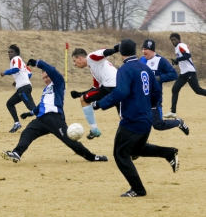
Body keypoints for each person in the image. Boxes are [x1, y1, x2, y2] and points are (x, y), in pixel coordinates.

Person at [92, 39, 179, 197]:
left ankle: (138, 189)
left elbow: (121, 93)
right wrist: (150, 105)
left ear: (121, 53)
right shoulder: (144, 67)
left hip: (132, 119)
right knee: (136, 149)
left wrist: (99, 104)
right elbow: (156, 91)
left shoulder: (125, 70)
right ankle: (169, 153)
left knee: (120, 154)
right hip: (145, 118)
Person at [0, 59, 108, 163]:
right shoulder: (46, 89)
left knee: (70, 141)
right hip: (41, 119)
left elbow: (51, 70)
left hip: (54, 118)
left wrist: (38, 63)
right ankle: (17, 153)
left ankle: (93, 157)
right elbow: (42, 105)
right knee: (27, 132)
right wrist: (30, 113)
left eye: (47, 76)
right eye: (44, 78)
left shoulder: (58, 83)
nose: (46, 79)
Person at [70, 45, 119, 140]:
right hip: (119, 87)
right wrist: (80, 94)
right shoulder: (93, 67)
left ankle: (94, 130)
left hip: (110, 86)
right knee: (123, 119)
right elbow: (95, 88)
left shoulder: (91, 57)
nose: (75, 64)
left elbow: (104, 52)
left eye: (74, 61)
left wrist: (116, 49)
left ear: (80, 58)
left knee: (84, 100)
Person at [140, 39, 189, 135]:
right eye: (143, 49)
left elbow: (173, 74)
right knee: (140, 124)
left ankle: (178, 122)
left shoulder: (160, 60)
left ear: (152, 50)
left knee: (158, 124)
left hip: (154, 98)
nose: (143, 51)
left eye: (146, 49)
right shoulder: (141, 60)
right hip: (141, 98)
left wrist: (158, 78)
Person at [164, 32, 206, 118]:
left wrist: (177, 59)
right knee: (175, 89)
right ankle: (173, 112)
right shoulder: (177, 48)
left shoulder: (181, 45)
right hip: (184, 73)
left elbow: (187, 55)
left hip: (189, 72)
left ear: (178, 40)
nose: (173, 41)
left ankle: (173, 111)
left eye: (174, 39)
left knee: (198, 90)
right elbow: (182, 58)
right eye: (172, 40)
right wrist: (176, 61)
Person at [0, 44, 36, 133]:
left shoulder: (16, 59)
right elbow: (29, 72)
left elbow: (16, 69)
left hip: (23, 87)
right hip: (22, 87)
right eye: (8, 52)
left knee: (31, 107)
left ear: (16, 53)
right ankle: (17, 123)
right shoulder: (21, 62)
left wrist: (5, 72)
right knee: (10, 103)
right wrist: (18, 81)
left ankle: (46, 122)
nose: (9, 54)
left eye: (11, 52)